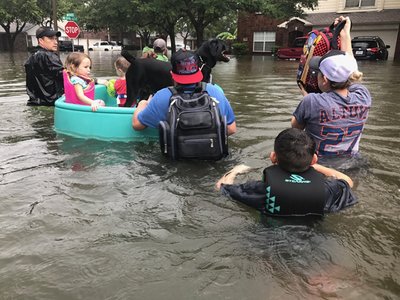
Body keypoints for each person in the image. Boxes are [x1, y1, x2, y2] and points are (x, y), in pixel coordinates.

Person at [216, 128, 357, 217]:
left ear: (273, 157)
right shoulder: (327, 190)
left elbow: (221, 187)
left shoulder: (262, 190)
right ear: (314, 159)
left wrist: (234, 171)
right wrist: (315, 166)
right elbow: (347, 181)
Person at [291, 16, 372, 158]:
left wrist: (306, 98)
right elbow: (352, 70)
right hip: (352, 163)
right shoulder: (363, 96)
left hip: (318, 167)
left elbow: (295, 128)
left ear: (325, 79)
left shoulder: (311, 101)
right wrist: (345, 34)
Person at [133, 49, 236, 159]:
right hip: (212, 158)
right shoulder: (216, 92)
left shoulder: (161, 97)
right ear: (199, 71)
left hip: (177, 161)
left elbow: (137, 125)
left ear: (172, 74)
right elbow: (231, 129)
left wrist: (142, 104)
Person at [24, 26, 64, 106]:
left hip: (34, 104)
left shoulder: (30, 58)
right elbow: (65, 75)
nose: (55, 42)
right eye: (51, 38)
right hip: (53, 103)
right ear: (40, 40)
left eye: (55, 39)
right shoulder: (49, 56)